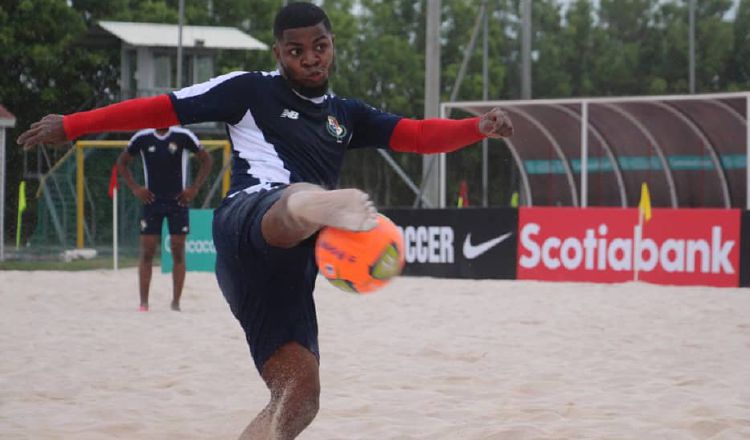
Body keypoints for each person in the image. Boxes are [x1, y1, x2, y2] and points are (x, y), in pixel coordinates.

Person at [17, 2, 513, 438]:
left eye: (320, 46)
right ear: (278, 54)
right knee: (298, 197)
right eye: (296, 51)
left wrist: (477, 127)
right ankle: (316, 204)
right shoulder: (249, 91)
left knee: (299, 396)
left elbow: (419, 134)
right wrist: (74, 125)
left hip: (285, 275)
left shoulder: (347, 114)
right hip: (248, 220)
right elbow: (162, 106)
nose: (310, 58)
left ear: (332, 45)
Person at [117, 126, 213, 312]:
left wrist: (194, 187)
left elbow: (207, 159)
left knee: (178, 251)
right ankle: (144, 303)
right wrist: (135, 188)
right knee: (147, 252)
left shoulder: (183, 135)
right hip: (151, 201)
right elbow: (122, 162)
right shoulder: (142, 137)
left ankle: (176, 302)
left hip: (178, 201)